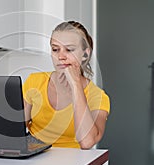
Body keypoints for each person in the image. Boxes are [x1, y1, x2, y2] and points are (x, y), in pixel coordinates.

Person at [22, 21, 110, 149]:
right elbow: (13, 129)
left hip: (74, 163)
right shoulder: (34, 81)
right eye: (55, 49)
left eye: (69, 49)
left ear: (85, 54)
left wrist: (75, 85)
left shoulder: (98, 97)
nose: (61, 56)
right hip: (34, 157)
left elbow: (87, 142)